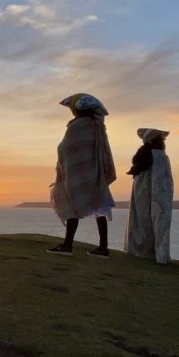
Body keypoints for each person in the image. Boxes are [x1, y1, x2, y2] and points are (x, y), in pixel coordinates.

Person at [47, 93, 117, 257]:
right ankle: (103, 248)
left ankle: (67, 245)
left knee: (71, 204)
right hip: (94, 172)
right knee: (100, 208)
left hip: (77, 172)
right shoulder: (98, 125)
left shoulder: (77, 125)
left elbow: (67, 147)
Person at [123, 128, 174, 264]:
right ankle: (153, 251)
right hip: (154, 192)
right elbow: (163, 179)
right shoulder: (159, 156)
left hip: (142, 191)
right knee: (153, 220)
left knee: (143, 219)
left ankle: (143, 249)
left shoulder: (146, 154)